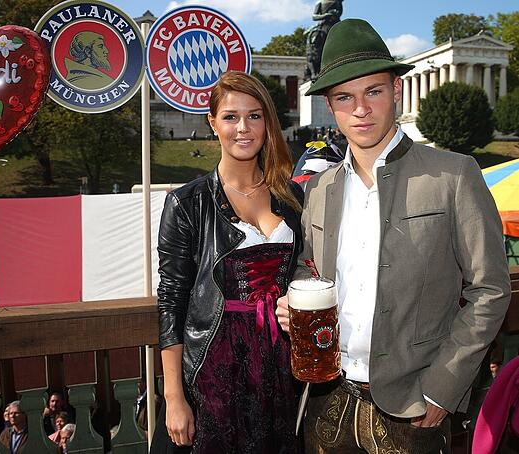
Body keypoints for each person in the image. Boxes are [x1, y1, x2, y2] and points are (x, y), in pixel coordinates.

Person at [276, 18, 511, 453]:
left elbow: (490, 289)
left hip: (414, 406)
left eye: (374, 92)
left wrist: (444, 387)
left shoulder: (454, 174)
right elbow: (310, 273)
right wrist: (292, 305)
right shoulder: (321, 188)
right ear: (331, 104)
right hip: (327, 402)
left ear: (397, 91)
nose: (360, 109)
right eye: (345, 97)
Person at [152, 71, 304, 453]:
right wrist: (174, 397)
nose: (243, 128)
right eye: (231, 117)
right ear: (213, 122)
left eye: (255, 116)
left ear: (268, 123)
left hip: (282, 361)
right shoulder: (187, 203)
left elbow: (308, 272)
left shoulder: (293, 197)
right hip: (216, 365)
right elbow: (172, 301)